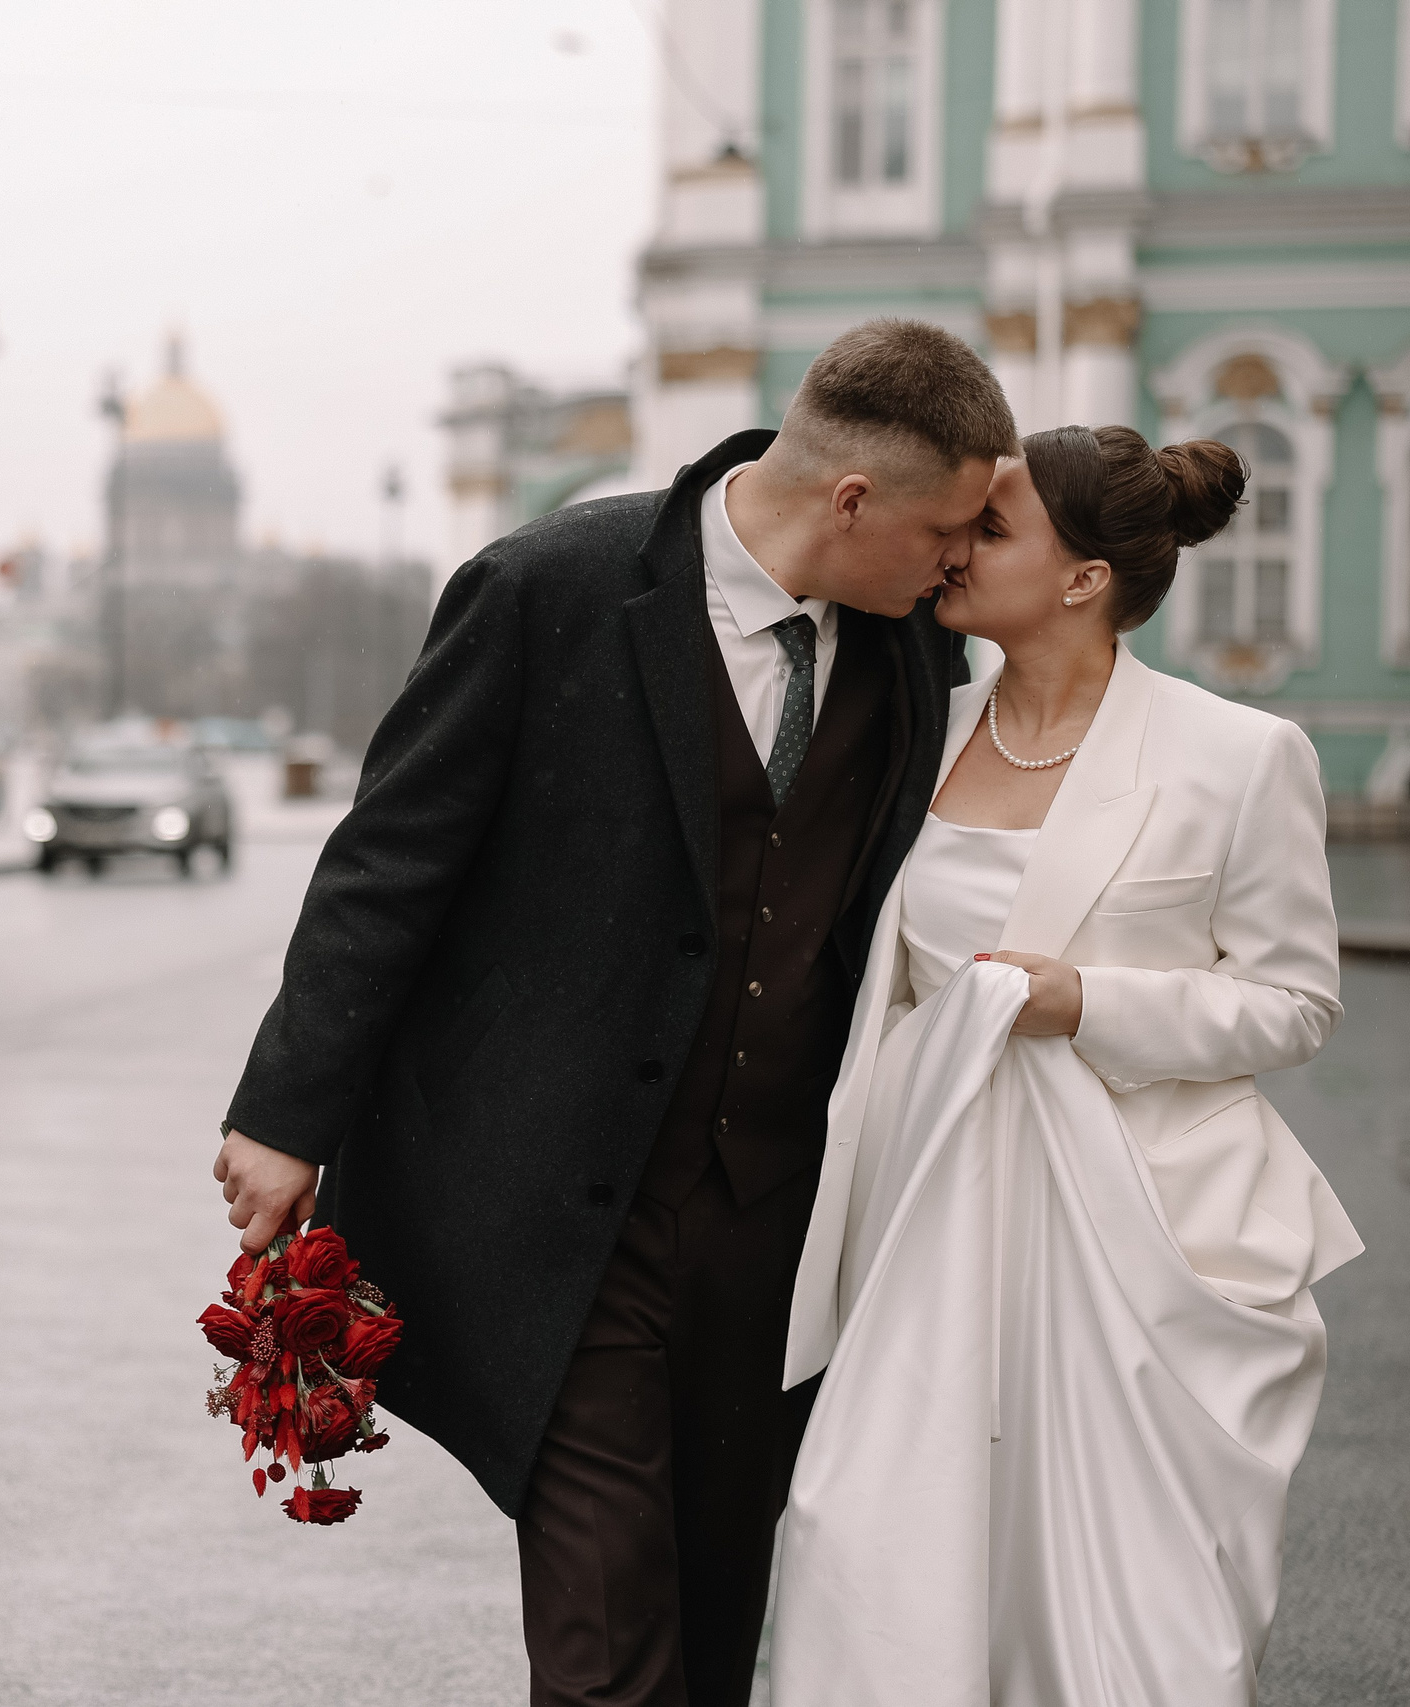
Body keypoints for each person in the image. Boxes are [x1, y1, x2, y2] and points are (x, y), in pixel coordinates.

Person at [212, 319, 1015, 1706]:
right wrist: (285, 1115)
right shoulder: (546, 589)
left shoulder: (908, 657)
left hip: (777, 1224)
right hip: (565, 1209)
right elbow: (388, 866)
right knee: (607, 1636)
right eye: (947, 530)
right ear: (850, 499)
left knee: (711, 1616)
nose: (959, 564)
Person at [768, 426, 1361, 1705]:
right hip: (926, 1219)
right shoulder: (912, 731)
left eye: (990, 528)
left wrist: (1085, 1001)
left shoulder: (1239, 756)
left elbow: (1294, 1004)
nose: (953, 547)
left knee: (1140, 1625)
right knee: (885, 1561)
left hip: (1144, 1244)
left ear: (1085, 578)